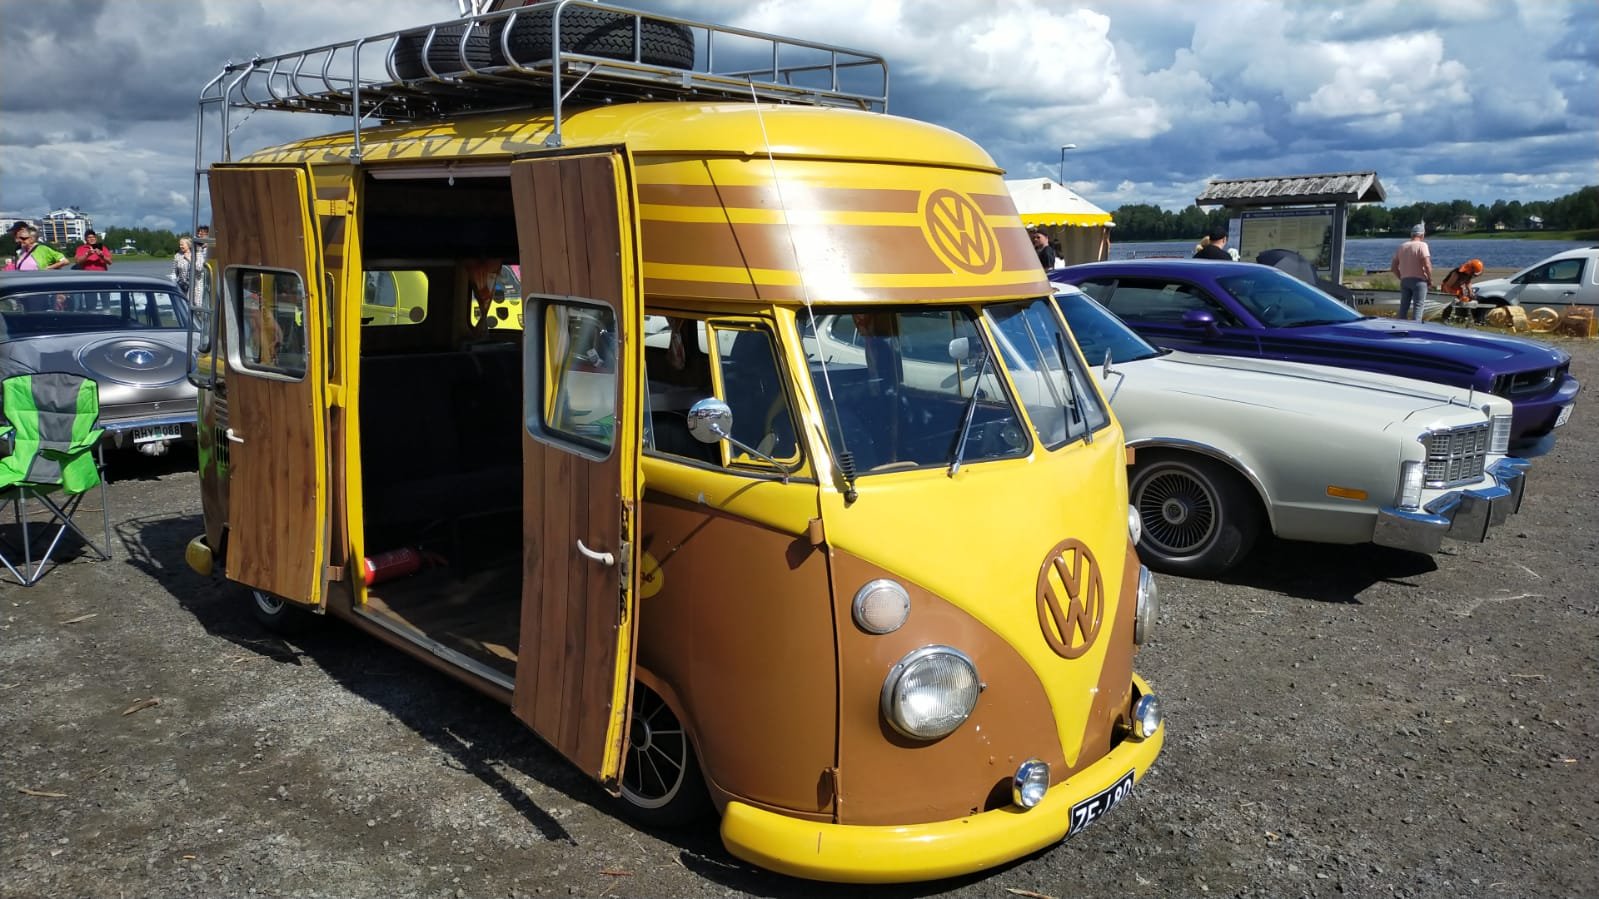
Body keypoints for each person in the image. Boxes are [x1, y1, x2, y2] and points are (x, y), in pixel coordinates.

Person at [1390, 224, 1433, 321]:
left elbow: (1393, 267)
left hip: (1405, 280)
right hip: (1419, 280)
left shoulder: (1402, 246)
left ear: (1411, 235)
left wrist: (1401, 277)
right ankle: (1416, 327)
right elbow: (1427, 265)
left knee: (1403, 307)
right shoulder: (1422, 245)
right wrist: (1430, 279)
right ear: (1422, 235)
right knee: (1418, 306)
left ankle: (1401, 325)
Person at [6, 223, 71, 271]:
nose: (18, 240)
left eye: (23, 238)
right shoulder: (20, 251)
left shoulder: (42, 249)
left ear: (31, 239)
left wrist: (47, 269)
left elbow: (65, 261)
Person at [1440, 258, 1485, 323]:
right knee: (1449, 304)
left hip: (1457, 289)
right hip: (1447, 289)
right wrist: (1451, 297)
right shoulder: (1457, 273)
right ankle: (1445, 318)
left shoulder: (1469, 274)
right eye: (1474, 274)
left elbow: (1468, 282)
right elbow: (1447, 286)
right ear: (1471, 270)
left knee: (1464, 301)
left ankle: (1461, 318)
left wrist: (1470, 292)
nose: (1474, 276)